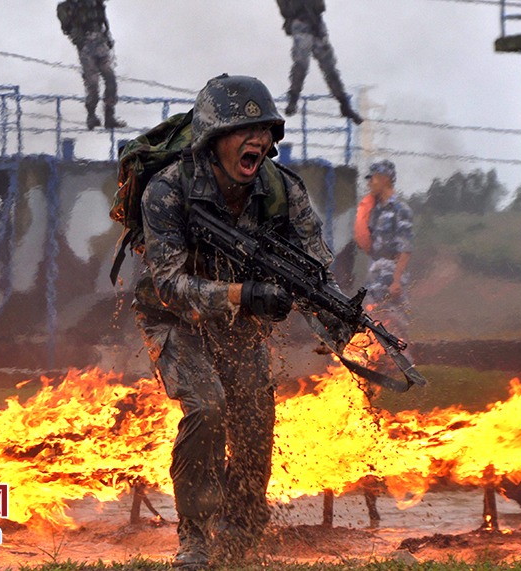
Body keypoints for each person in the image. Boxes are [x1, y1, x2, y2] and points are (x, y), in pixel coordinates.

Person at [134, 74, 352, 567]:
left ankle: (241, 537)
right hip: (174, 320)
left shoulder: (282, 191)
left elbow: (315, 269)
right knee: (208, 407)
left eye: (264, 130)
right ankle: (195, 537)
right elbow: (170, 286)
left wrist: (337, 318)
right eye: (243, 129)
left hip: (239, 326)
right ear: (214, 140)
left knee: (255, 423)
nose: (257, 139)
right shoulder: (168, 191)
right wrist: (245, 294)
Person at [276, 0, 363, 124]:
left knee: (329, 67)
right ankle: (293, 99)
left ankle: (344, 104)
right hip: (301, 22)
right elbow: (286, 10)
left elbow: (320, 7)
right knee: (302, 64)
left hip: (315, 24)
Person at [354, 160, 413, 339]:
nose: (370, 184)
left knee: (396, 320)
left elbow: (406, 248)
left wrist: (396, 280)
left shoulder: (400, 210)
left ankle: (402, 361)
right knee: (370, 317)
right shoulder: (374, 209)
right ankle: (374, 361)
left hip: (391, 272)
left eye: (373, 179)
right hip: (374, 271)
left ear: (385, 179)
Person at [57, 0, 125, 130]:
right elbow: (66, 27)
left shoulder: (95, 3)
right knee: (92, 82)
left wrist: (107, 37)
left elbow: (102, 20)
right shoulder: (67, 6)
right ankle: (91, 116)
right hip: (86, 45)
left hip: (100, 41)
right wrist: (80, 41)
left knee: (110, 79)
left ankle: (109, 116)